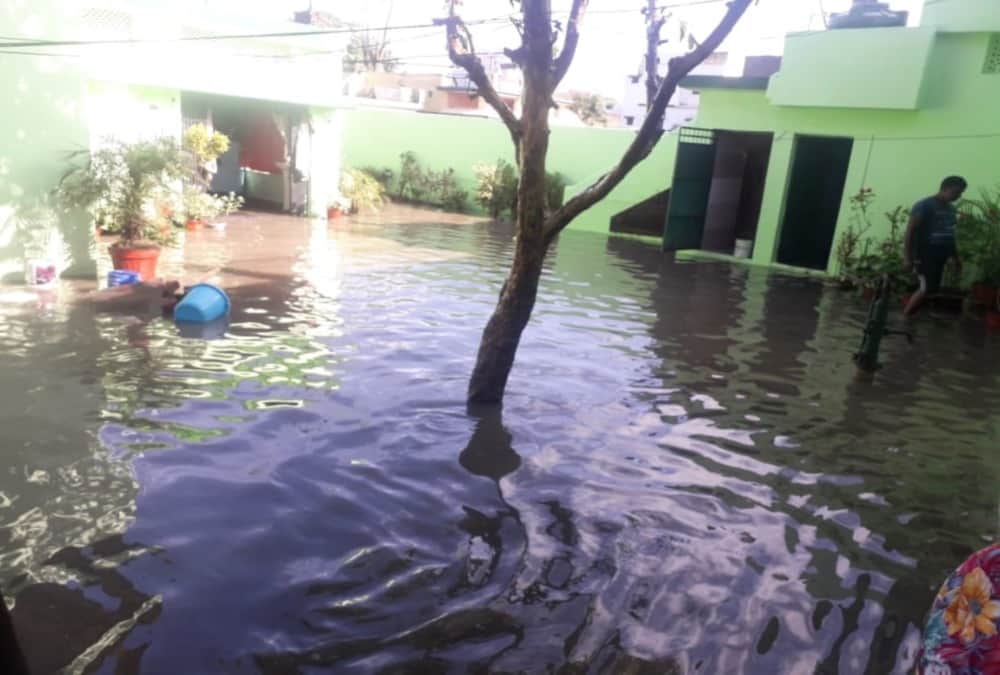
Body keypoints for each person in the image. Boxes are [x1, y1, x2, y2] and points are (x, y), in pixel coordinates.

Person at [903, 176, 967, 317]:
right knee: (926, 288)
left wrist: (956, 258)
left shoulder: (951, 209)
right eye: (955, 192)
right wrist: (907, 258)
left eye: (960, 193)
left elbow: (950, 235)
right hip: (924, 254)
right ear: (944, 188)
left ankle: (911, 316)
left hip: (941, 255)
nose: (958, 196)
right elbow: (910, 231)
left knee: (931, 290)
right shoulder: (924, 205)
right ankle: (905, 318)